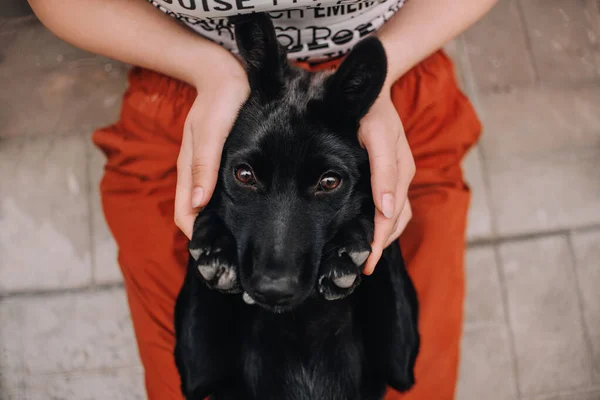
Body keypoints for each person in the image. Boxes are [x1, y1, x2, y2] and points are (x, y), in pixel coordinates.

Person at [28, 0, 496, 398]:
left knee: (414, 385)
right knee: (189, 381)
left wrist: (386, 67)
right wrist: (206, 68)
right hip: (198, 98)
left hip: (382, 97)